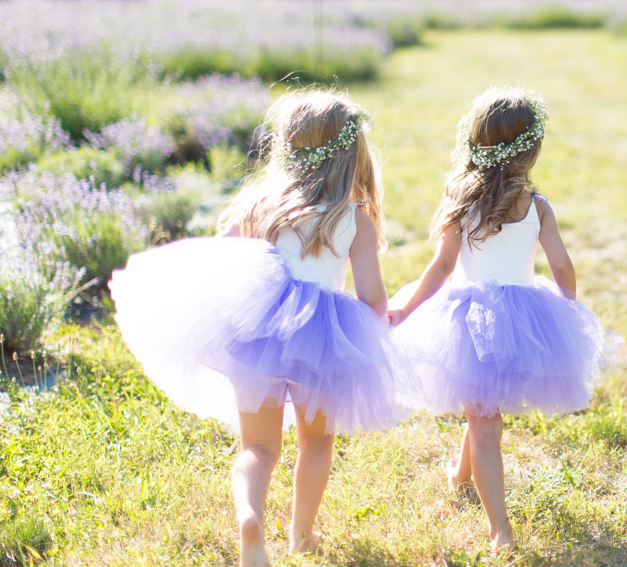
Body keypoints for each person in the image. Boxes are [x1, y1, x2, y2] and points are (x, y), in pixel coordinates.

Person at [110, 90, 411, 565]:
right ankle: (301, 535)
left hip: (258, 335)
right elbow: (373, 295)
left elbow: (222, 261)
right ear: (352, 153)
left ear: (286, 149)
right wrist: (375, 330)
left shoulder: (258, 205)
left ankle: (250, 519)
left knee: (258, 447)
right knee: (316, 441)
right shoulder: (354, 217)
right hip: (325, 341)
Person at [389, 86, 621, 554]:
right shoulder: (537, 206)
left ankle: (498, 528)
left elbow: (439, 268)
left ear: (473, 142)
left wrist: (407, 309)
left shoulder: (461, 200)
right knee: (483, 407)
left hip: (469, 318)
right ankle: (471, 489)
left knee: (485, 417)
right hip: (520, 318)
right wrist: (566, 306)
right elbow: (561, 267)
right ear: (532, 148)